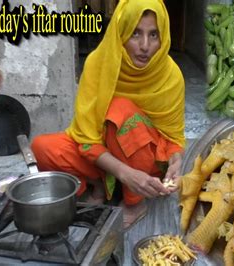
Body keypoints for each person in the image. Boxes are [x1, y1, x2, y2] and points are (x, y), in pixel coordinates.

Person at [31, 0, 185, 230]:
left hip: (145, 158)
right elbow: (86, 136)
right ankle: (100, 185)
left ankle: (134, 202)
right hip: (105, 153)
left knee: (120, 111)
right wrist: (124, 172)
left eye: (154, 35)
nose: (145, 46)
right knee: (42, 148)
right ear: (120, 33)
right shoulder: (97, 63)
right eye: (135, 34)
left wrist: (176, 160)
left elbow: (172, 137)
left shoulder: (170, 75)